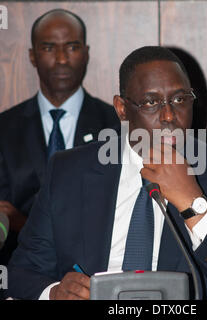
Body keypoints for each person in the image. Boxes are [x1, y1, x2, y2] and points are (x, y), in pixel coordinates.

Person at [6, 46, 207, 300]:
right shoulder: (69, 172)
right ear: (122, 109)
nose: (169, 115)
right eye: (151, 102)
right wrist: (54, 292)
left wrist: (193, 204)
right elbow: (20, 273)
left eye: (180, 99)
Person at [0, 9, 119, 265]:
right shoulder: (4, 128)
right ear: (32, 56)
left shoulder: (116, 126)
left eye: (72, 47)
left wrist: (23, 220)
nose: (62, 59)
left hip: (96, 272)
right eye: (49, 47)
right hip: (18, 270)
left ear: (86, 53)